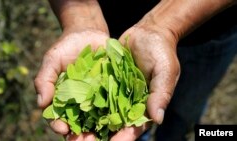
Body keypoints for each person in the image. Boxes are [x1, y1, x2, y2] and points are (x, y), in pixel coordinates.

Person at [34, 0, 237, 141]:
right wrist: (80, 17)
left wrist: (165, 25)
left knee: (184, 112)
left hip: (210, 30)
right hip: (114, 26)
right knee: (137, 126)